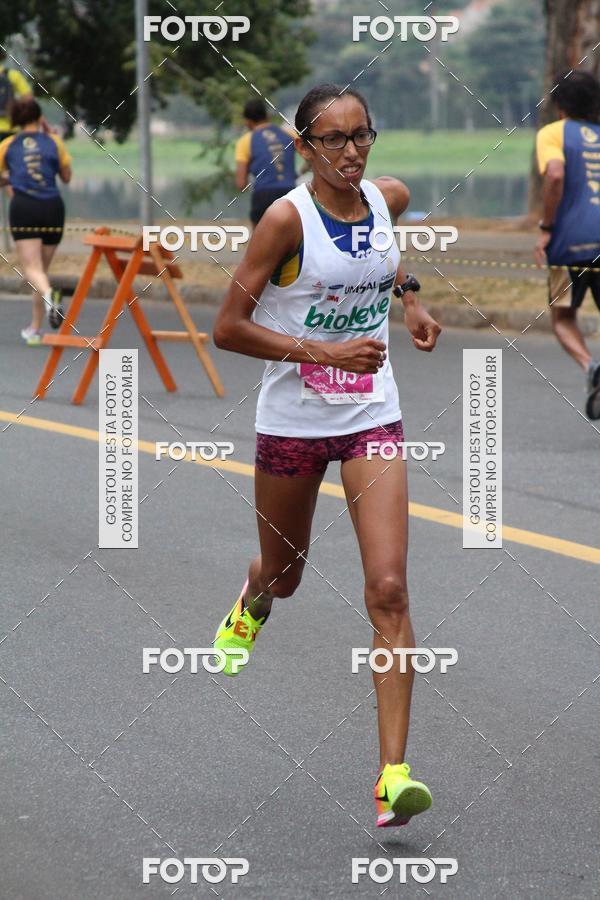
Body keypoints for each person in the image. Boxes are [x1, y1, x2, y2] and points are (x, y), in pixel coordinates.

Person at [213, 84, 441, 828]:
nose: (351, 152)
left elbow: (381, 261)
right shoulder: (286, 220)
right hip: (293, 420)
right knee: (286, 575)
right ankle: (251, 600)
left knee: (388, 589)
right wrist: (323, 347)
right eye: (333, 140)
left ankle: (393, 776)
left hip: (373, 413)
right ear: (304, 147)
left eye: (361, 136)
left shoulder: (388, 196)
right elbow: (227, 328)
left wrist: (408, 299)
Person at [535, 69, 600, 419]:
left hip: (569, 243)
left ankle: (590, 366)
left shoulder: (553, 133)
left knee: (562, 316)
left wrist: (547, 227)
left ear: (560, 105)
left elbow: (556, 174)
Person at [0, 98, 71, 345]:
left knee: (32, 269)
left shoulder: (8, 145)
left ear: (15, 119)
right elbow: (66, 176)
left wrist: (11, 179)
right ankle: (36, 328)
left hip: (25, 208)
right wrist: (51, 137)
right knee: (41, 272)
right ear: (39, 116)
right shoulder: (54, 141)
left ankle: (51, 297)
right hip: (53, 208)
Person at [234, 98, 297, 227]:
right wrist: (299, 173)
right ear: (267, 116)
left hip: (263, 195)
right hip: (291, 194)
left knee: (259, 243)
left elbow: (241, 184)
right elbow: (313, 158)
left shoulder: (245, 141)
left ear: (248, 123)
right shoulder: (290, 135)